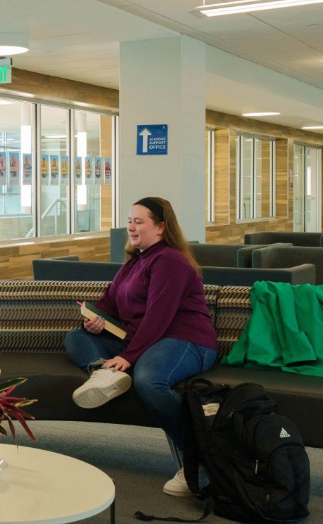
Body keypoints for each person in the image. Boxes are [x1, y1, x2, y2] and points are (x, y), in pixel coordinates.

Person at [65, 196, 217, 497]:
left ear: (161, 227)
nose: (131, 227)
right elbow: (107, 306)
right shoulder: (134, 262)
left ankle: (197, 460)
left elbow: (159, 316)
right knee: (75, 338)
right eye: (129, 221)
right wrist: (93, 322)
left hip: (186, 339)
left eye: (139, 221)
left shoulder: (171, 261)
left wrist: (128, 356)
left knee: (150, 379)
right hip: (143, 339)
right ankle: (103, 373)